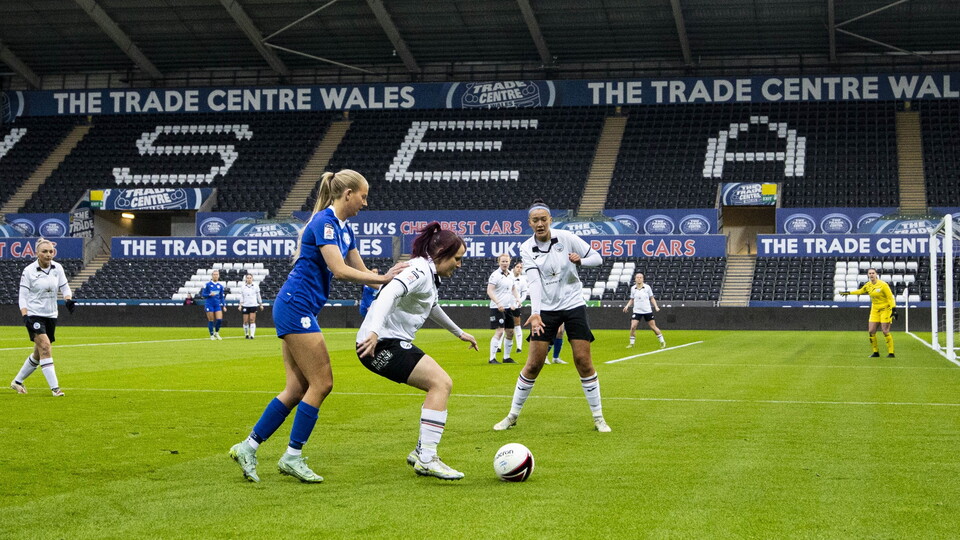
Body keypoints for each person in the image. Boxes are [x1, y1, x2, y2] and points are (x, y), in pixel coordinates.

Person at [229, 169, 403, 484]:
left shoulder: (344, 228)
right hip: (296, 306)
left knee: (297, 389)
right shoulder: (324, 222)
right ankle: (292, 456)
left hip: (299, 306)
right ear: (347, 193)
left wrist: (388, 276)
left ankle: (248, 447)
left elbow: (360, 270)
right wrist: (381, 279)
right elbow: (339, 270)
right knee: (322, 383)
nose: (365, 202)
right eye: (363, 196)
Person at [356, 223, 477, 480]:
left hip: (388, 342)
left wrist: (459, 333)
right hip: (379, 344)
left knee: (439, 384)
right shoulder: (419, 270)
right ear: (442, 252)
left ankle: (423, 451)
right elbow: (388, 293)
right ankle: (427, 458)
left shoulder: (429, 276)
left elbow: (431, 307)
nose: (459, 264)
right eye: (457, 258)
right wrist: (374, 332)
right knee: (441, 383)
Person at [493, 200, 612, 433]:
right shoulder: (526, 248)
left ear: (550, 220)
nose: (539, 224)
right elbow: (534, 281)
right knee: (533, 364)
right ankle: (512, 415)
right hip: (546, 309)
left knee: (583, 361)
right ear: (530, 223)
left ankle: (598, 417)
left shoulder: (566, 238)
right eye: (535, 220)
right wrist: (535, 313)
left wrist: (582, 261)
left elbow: (597, 258)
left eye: (543, 219)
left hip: (573, 303)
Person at [10, 238, 76, 396]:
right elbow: (22, 296)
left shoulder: (57, 268)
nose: (48, 254)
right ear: (37, 253)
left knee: (38, 354)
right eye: (44, 251)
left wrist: (68, 299)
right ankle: (55, 389)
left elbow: (65, 286)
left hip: (51, 315)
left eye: (51, 251)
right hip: (34, 314)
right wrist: (25, 316)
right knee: (46, 346)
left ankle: (16, 382)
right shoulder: (29, 271)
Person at [840, 267, 896, 358]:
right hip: (875, 309)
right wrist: (848, 293)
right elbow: (860, 291)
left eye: (873, 273)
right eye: (869, 273)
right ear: (868, 275)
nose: (871, 275)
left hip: (885, 309)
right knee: (871, 331)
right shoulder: (868, 285)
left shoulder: (883, 285)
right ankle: (875, 352)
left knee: (885, 331)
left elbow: (890, 297)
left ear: (876, 274)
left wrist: (894, 309)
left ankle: (891, 352)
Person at [487, 253, 520, 364]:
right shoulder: (495, 275)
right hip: (497, 308)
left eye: (507, 261)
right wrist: (498, 303)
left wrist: (517, 299)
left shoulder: (511, 274)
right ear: (499, 262)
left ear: (510, 262)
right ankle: (492, 358)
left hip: (508, 308)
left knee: (510, 332)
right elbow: (489, 291)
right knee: (500, 332)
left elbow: (514, 288)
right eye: (503, 261)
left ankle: (506, 357)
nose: (505, 263)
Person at [623, 272, 665, 349]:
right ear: (635, 279)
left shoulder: (647, 287)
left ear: (643, 279)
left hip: (647, 310)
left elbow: (651, 298)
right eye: (637, 277)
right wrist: (627, 306)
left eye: (640, 277)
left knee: (653, 327)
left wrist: (656, 306)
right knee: (633, 326)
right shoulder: (633, 288)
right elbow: (632, 299)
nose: (639, 279)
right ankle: (631, 344)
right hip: (637, 311)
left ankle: (662, 342)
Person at [201, 269, 226, 340]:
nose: (215, 276)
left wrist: (224, 305)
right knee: (211, 320)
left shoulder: (220, 286)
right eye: (214, 275)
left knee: (219, 320)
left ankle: (216, 332)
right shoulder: (207, 285)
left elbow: (222, 297)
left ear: (218, 276)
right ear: (212, 276)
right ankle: (211, 334)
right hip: (209, 304)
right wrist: (209, 294)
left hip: (217, 305)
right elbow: (203, 294)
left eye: (217, 275)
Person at [237, 273, 263, 339]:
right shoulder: (243, 287)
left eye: (250, 278)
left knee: (252, 319)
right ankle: (246, 334)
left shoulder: (256, 286)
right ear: (246, 279)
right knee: (245, 321)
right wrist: (240, 305)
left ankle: (252, 335)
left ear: (252, 278)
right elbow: (242, 296)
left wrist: (260, 304)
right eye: (247, 278)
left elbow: (258, 296)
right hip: (245, 305)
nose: (249, 279)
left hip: (253, 305)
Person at [510, 262, 528, 354]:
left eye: (521, 267)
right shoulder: (508, 276)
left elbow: (524, 294)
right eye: (517, 267)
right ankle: (498, 347)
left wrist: (518, 303)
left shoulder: (523, 280)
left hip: (516, 306)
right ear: (513, 267)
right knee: (503, 326)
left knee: (517, 325)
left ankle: (519, 347)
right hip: (507, 305)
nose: (519, 268)